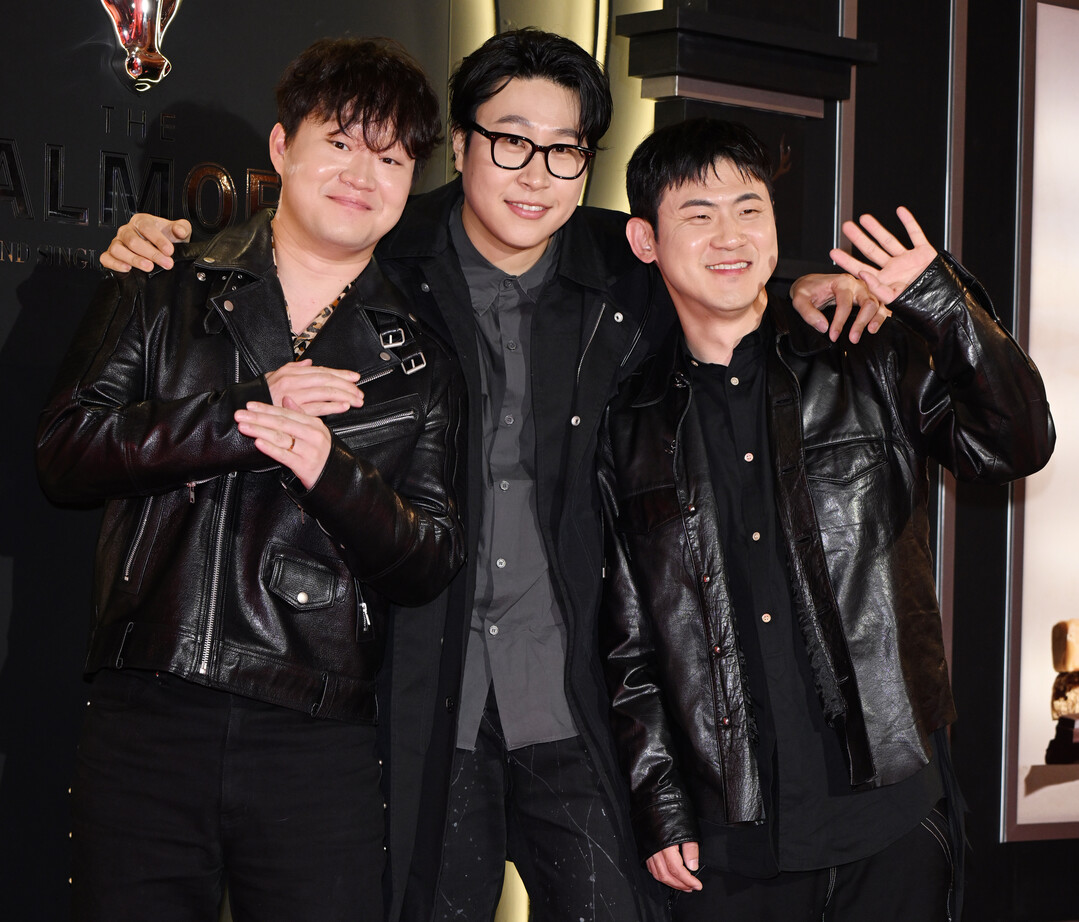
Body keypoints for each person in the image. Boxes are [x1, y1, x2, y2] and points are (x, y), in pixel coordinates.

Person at [99, 31, 884, 922]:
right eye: (510, 141)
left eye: (563, 151)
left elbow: (718, 265)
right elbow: (274, 259)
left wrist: (798, 292)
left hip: (576, 695)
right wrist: (162, 242)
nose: (534, 175)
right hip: (422, 694)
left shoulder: (624, 271)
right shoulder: (384, 257)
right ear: (462, 145)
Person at [35, 38, 464, 922]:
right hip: (150, 705)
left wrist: (330, 471)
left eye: (390, 159)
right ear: (281, 148)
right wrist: (242, 415)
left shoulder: (421, 360)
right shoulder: (162, 282)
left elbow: (428, 560)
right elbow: (66, 454)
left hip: (316, 731)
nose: (362, 175)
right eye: (339, 143)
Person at [597, 117, 1055, 922]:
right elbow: (628, 641)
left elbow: (1015, 444)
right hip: (730, 839)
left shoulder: (863, 353)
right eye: (698, 214)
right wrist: (659, 804)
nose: (730, 236)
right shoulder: (629, 421)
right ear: (645, 239)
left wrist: (939, 302)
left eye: (749, 208)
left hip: (888, 812)